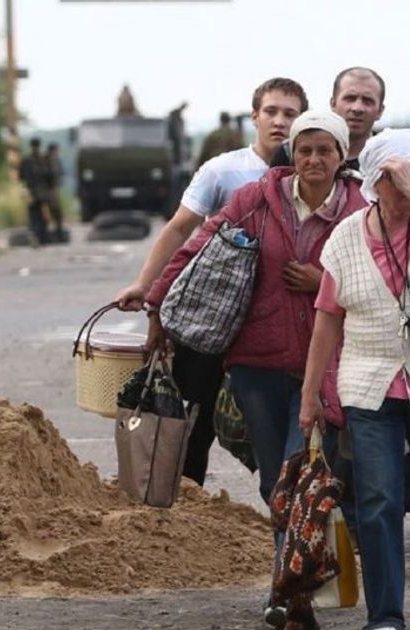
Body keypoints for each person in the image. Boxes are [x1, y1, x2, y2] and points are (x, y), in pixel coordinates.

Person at [146, 110, 364, 630]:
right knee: (276, 483)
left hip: (325, 366)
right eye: (305, 150)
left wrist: (323, 283)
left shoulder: (360, 210)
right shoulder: (256, 201)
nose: (314, 160)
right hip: (256, 365)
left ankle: (292, 599)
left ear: (341, 156)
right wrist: (157, 304)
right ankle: (290, 589)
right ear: (293, 153)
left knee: (302, 474)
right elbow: (196, 249)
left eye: (325, 151)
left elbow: (384, 279)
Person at [299, 128, 410, 630]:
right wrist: (310, 396)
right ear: (374, 182)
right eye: (397, 176)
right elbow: (326, 319)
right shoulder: (346, 236)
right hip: (369, 382)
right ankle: (384, 616)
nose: (409, 183)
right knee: (379, 501)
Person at [115, 78, 307, 493]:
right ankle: (183, 516)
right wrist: (145, 286)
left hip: (272, 328)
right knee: (190, 426)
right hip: (211, 320)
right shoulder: (224, 170)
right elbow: (180, 230)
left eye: (290, 114)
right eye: (271, 111)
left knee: (272, 436)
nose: (279, 121)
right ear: (254, 115)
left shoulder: (310, 173)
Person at [271, 66, 386, 171]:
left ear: (380, 111)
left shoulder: (388, 156)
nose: (357, 108)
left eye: (367, 101)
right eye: (350, 98)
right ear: (333, 104)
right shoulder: (289, 152)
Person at [18, 138, 52, 246]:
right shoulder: (44, 159)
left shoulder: (26, 160)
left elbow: (21, 177)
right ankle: (42, 237)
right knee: (42, 215)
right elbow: (50, 176)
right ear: (39, 146)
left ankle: (35, 235)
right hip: (42, 192)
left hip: (31, 192)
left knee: (33, 215)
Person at [45, 143, 66, 242]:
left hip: (54, 189)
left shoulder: (55, 160)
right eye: (57, 150)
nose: (58, 152)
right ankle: (55, 233)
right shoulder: (48, 161)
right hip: (49, 189)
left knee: (57, 212)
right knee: (54, 211)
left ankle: (58, 231)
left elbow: (61, 173)